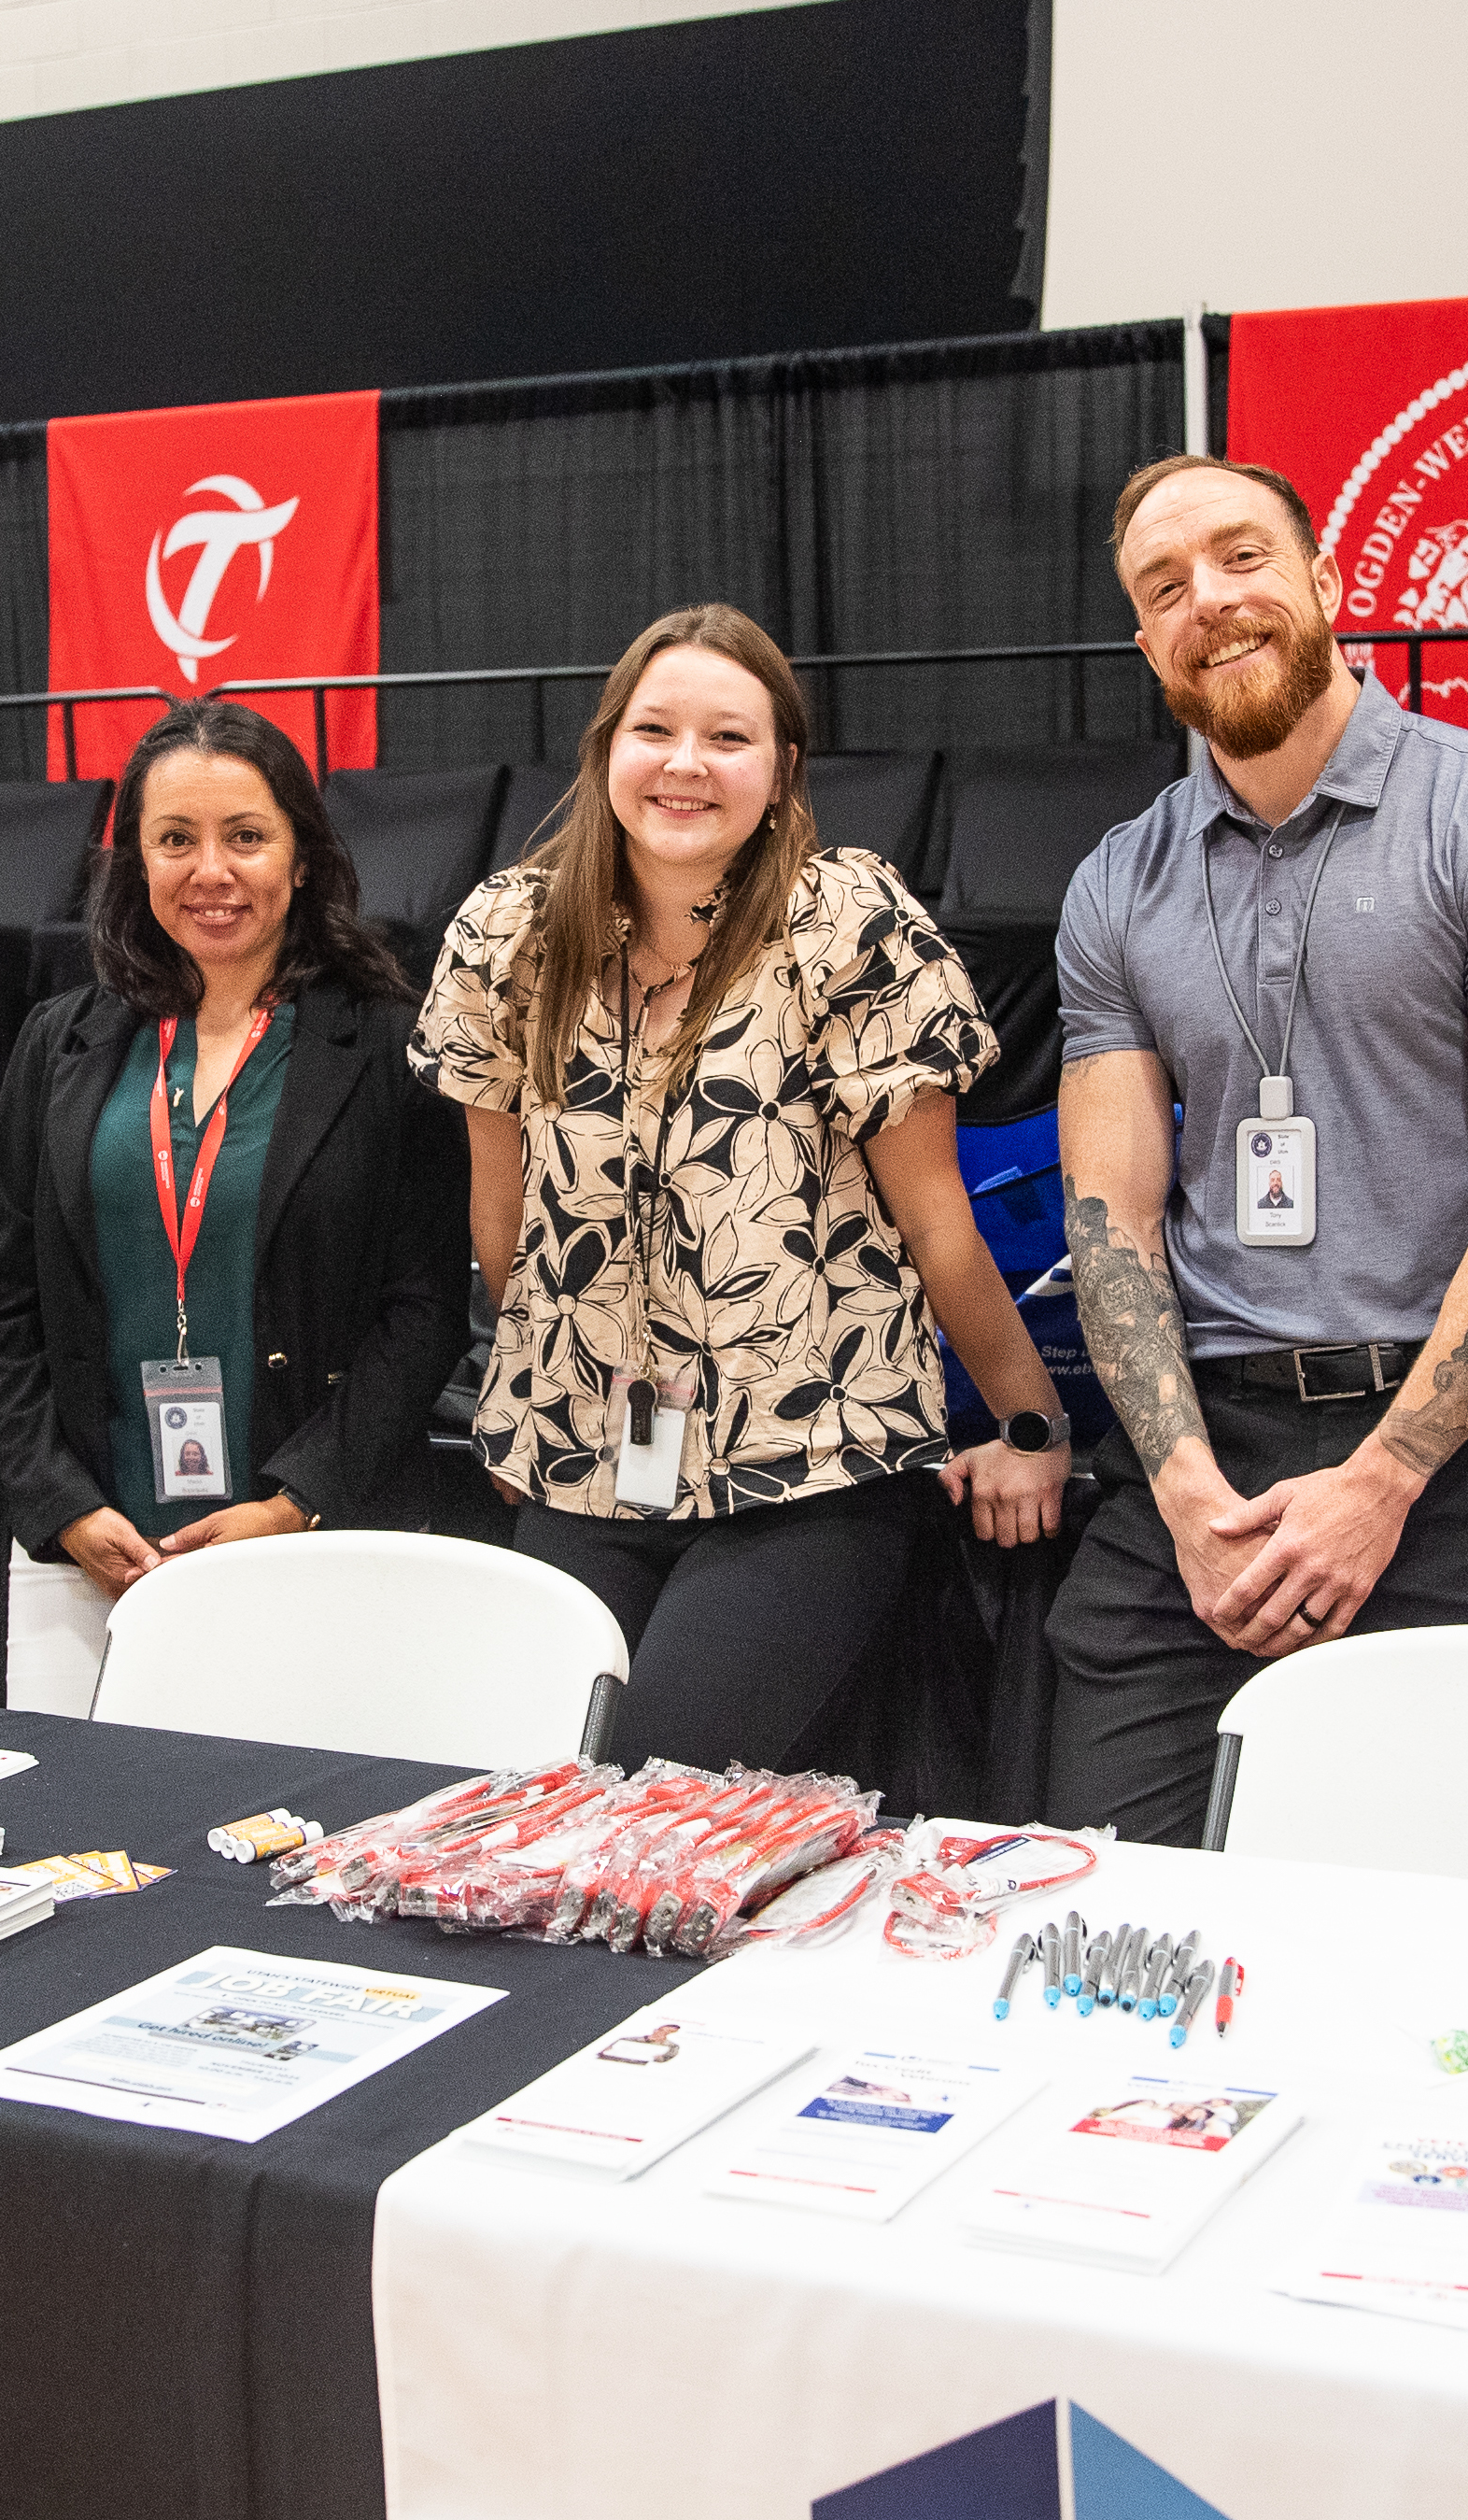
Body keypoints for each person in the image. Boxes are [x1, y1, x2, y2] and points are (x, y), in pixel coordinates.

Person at [1043, 453, 1468, 1842]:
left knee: (1411, 1905)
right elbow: (1110, 1219)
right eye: (1164, 587)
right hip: (1205, 1446)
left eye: (1242, 556)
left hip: (1445, 1449)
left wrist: (1382, 1483)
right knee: (1106, 1895)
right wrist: (1187, 1495)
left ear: (1325, 579)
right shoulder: (1118, 881)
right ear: (1146, 645)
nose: (1208, 598)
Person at [413, 603, 1074, 1768]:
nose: (686, 763)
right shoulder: (509, 933)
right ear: (605, 749)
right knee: (535, 1786)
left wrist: (1031, 1425)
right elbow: (501, 1217)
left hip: (810, 1457)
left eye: (728, 737)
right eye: (655, 730)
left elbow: (937, 1223)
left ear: (782, 769)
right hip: (591, 1457)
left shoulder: (846, 924)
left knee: (653, 1790)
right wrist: (543, 1411)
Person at [0, 698, 472, 1714]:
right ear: (135, 861)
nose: (211, 870)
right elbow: (7, 1305)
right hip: (97, 1551)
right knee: (80, 1805)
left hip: (322, 1537)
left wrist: (294, 1503)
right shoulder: (57, 1043)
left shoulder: (389, 1045)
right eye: (175, 840)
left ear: (302, 857)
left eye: (246, 836)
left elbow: (424, 1311)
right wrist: (63, 1506)